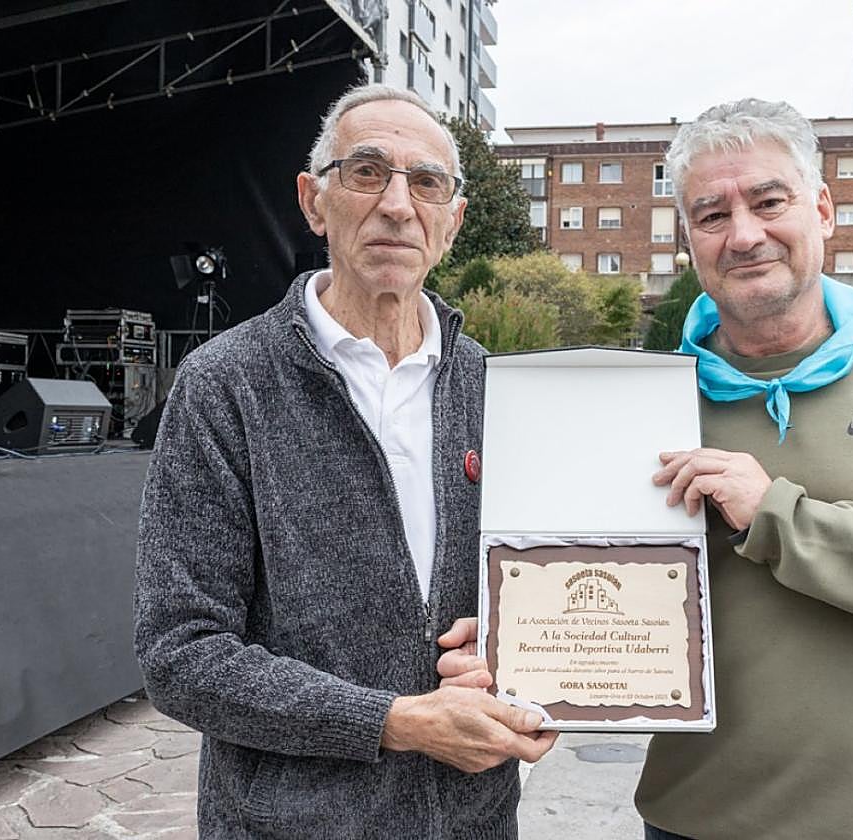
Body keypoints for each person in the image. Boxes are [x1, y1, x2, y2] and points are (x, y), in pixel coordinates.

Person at [449, 98, 853, 840]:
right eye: (711, 216)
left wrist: (779, 515)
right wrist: (517, 641)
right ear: (688, 242)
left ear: (823, 209)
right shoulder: (636, 401)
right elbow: (574, 576)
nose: (744, 234)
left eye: (769, 201)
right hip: (694, 819)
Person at [135, 84, 555, 839]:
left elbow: (532, 585)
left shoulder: (496, 389)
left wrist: (526, 658)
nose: (398, 204)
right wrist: (394, 721)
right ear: (313, 201)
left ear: (452, 220)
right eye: (367, 172)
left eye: (427, 182)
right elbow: (180, 654)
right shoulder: (225, 386)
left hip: (473, 820)